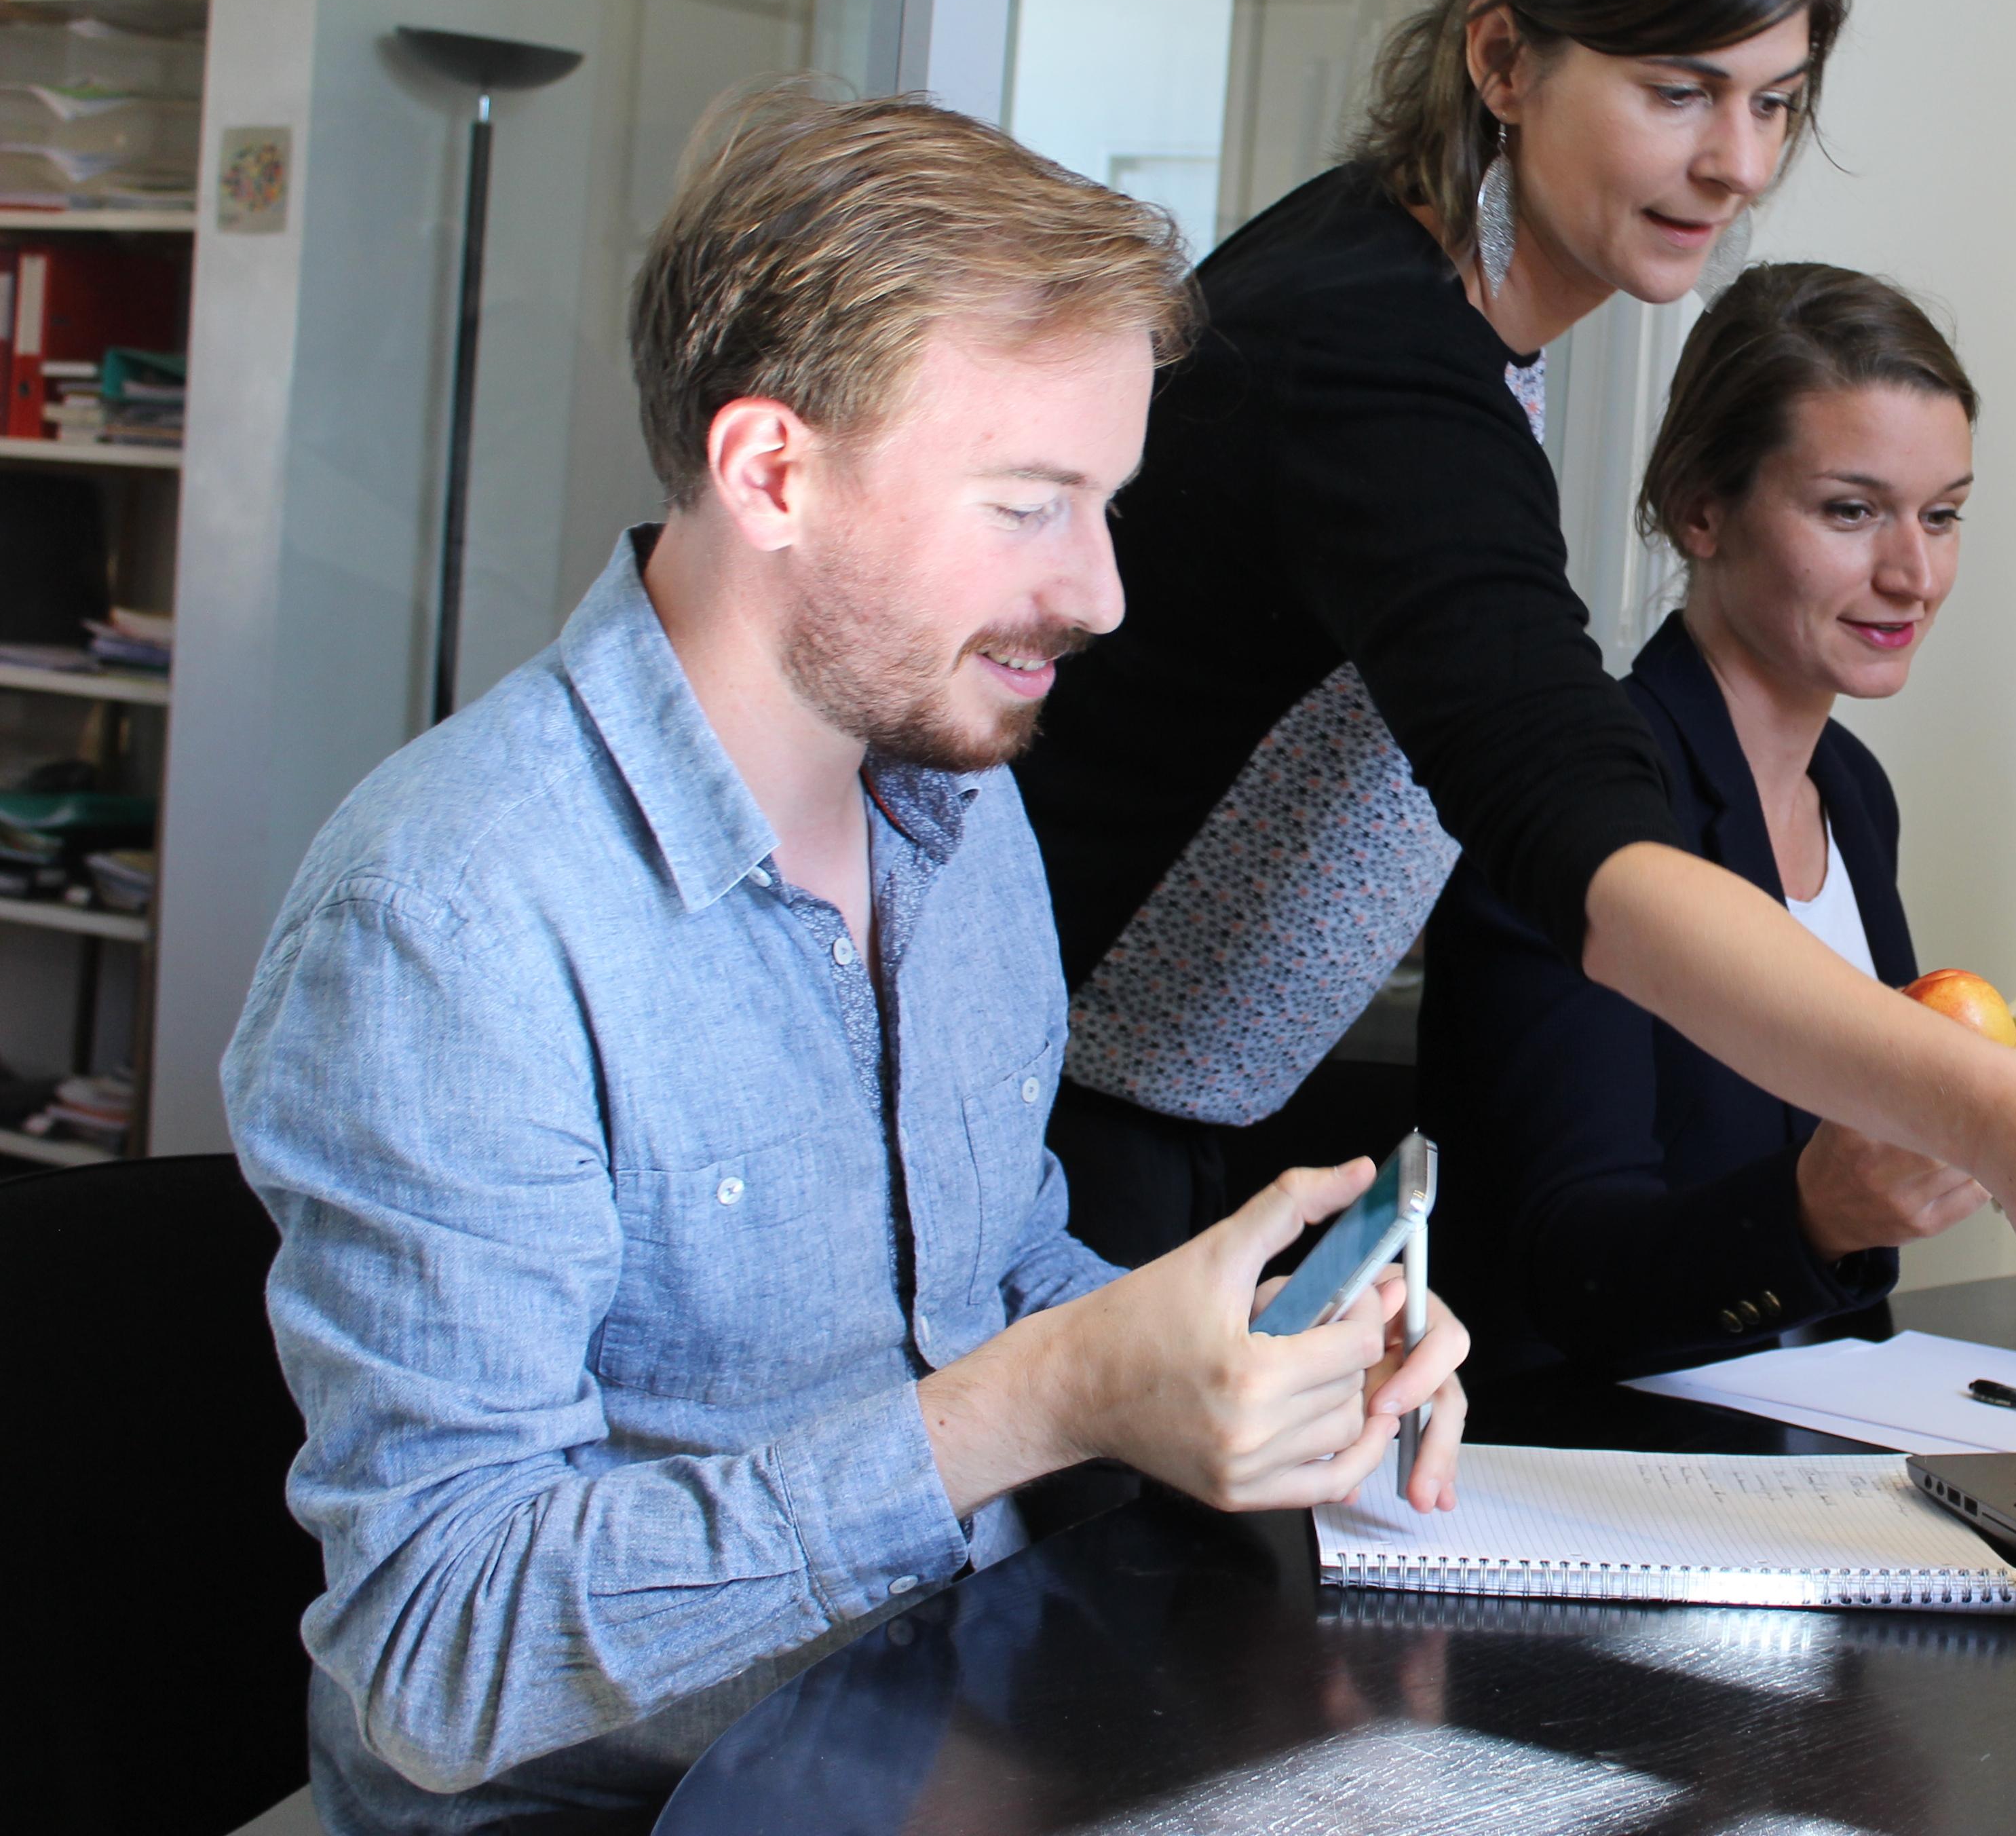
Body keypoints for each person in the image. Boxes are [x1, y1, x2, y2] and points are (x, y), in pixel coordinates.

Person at [223, 90, 1469, 1834]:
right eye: (1030, 507)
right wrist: (1043, 1404)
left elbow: (988, 1266)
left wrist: (1251, 1349)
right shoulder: (448, 920)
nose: (1102, 595)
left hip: (962, 1741)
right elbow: (443, 1651)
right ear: (771, 474)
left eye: (1106, 506)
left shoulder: (956, 809)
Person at [1012, 0, 2016, 1361]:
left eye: (1774, 104)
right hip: (1057, 1119)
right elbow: (1583, 844)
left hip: (1173, 1114)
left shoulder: (1423, 301)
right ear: (1504, 61)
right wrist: (2010, 1120)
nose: (1735, 164)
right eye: (1678, 92)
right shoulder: (1373, 355)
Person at [1420, 263, 1993, 1372]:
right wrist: (1818, 1214)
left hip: (1816, 1418)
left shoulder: (1854, 793)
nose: (1915, 574)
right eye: (1852, 511)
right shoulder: (1582, 809)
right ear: (1700, 509)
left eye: (1943, 516)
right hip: (1586, 1444)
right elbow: (1562, 1267)